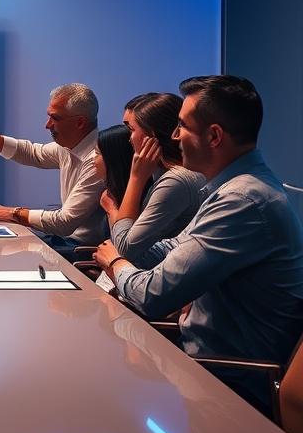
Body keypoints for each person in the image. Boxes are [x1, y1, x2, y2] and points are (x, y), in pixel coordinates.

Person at [95, 76, 303, 411]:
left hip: (228, 383)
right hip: (203, 364)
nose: (174, 137)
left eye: (182, 126)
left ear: (214, 136)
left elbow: (154, 296)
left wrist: (117, 264)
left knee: (100, 396)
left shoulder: (242, 200)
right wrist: (124, 255)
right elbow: (173, 248)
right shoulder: (230, 189)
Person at [0, 83, 107, 251]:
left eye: (55, 118)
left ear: (80, 123)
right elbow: (34, 153)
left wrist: (15, 213)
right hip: (65, 240)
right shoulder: (70, 147)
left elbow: (64, 222)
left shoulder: (97, 161)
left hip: (81, 249)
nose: (47, 125)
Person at [101, 93, 205, 263]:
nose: (129, 138)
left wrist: (135, 179)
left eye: (131, 129)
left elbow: (125, 249)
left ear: (152, 135)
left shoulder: (176, 180)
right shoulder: (168, 175)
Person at [93, 124, 137, 215]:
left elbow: (124, 229)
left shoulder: (140, 201)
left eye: (97, 153)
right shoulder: (111, 193)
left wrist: (111, 210)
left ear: (113, 158)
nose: (93, 159)